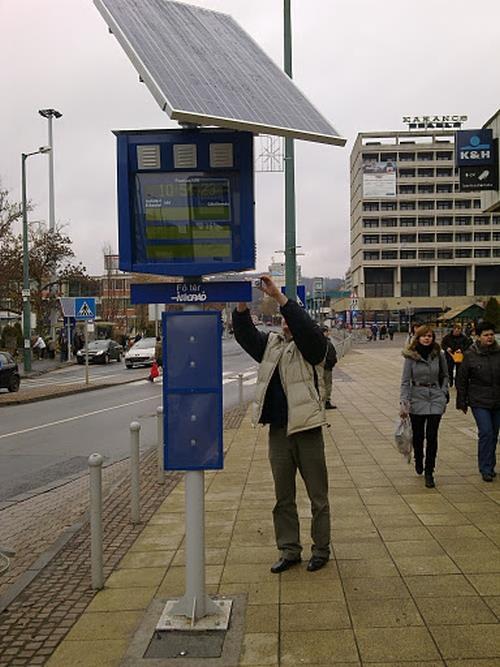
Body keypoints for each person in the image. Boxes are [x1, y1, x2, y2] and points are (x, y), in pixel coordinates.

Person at [233, 275, 330, 573]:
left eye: (291, 319)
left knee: (317, 496)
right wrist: (240, 306)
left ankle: (321, 549)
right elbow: (246, 336)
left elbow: (306, 330)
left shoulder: (315, 348)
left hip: (307, 429)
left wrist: (281, 298)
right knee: (283, 497)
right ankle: (289, 549)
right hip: (278, 431)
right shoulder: (272, 345)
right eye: (284, 320)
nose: (287, 324)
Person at [400, 324, 449, 488]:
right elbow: (405, 381)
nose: (427, 338)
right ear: (418, 338)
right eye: (424, 336)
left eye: (430, 336)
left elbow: (445, 375)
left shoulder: (438, 354)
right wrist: (404, 402)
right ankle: (418, 459)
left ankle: (430, 471)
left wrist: (443, 393)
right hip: (417, 397)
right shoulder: (411, 357)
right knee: (419, 435)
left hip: (435, 396)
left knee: (432, 435)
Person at [455, 321, 500, 482]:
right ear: (478, 337)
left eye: (491, 334)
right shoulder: (470, 355)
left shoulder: (498, 352)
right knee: (486, 432)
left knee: (494, 434)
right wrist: (462, 401)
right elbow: (461, 379)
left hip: (497, 400)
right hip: (479, 400)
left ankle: (490, 464)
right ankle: (485, 468)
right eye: (486, 335)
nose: (489, 337)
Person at [441, 322, 472, 387]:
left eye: (459, 329)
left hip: (459, 356)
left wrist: (461, 349)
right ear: (453, 329)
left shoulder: (464, 338)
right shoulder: (447, 337)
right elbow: (443, 344)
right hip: (450, 356)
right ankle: (450, 382)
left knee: (459, 370)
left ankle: (457, 383)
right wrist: (447, 348)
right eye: (456, 328)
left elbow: (468, 346)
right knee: (449, 370)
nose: (457, 330)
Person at [321, 326, 337, 409]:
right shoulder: (328, 343)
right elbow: (332, 356)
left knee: (320, 385)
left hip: (319, 368)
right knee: (327, 384)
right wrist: (331, 364)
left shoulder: (316, 342)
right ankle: (326, 401)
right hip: (327, 368)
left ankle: (320, 401)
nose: (328, 333)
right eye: (327, 332)